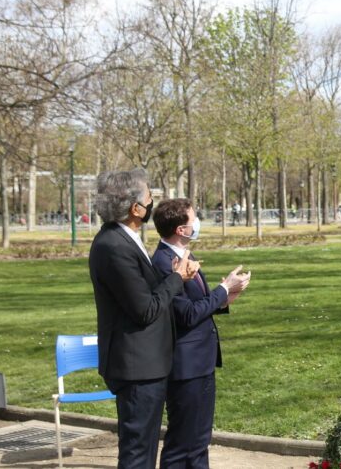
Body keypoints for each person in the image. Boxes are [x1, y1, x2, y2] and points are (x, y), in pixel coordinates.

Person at [88, 169, 199, 469]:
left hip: (148, 365)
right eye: (149, 196)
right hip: (136, 368)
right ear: (136, 208)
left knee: (146, 450)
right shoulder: (112, 246)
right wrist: (177, 277)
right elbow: (145, 309)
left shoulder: (126, 238)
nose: (152, 202)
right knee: (137, 455)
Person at [151, 199, 251, 468]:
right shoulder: (163, 262)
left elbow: (199, 305)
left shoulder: (186, 255)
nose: (198, 223)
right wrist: (222, 288)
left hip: (201, 359)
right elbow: (185, 314)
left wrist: (227, 296)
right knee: (182, 441)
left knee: (199, 438)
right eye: (194, 219)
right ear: (181, 229)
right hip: (185, 364)